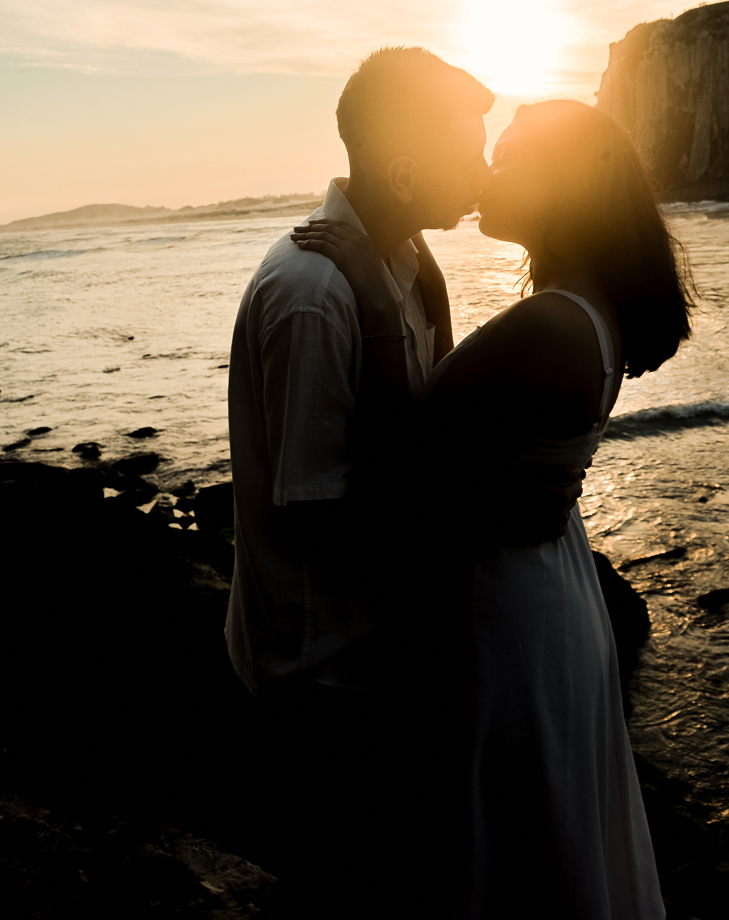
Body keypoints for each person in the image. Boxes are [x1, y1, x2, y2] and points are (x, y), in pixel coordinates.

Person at [291, 97, 695, 919]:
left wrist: (375, 297)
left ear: (562, 188)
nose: (485, 174)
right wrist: (419, 271)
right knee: (543, 831)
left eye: (508, 159)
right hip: (542, 584)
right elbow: (468, 413)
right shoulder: (579, 308)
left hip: (507, 609)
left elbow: (397, 457)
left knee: (505, 843)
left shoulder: (548, 324)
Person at [225, 48, 586, 917]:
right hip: (325, 674)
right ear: (402, 168)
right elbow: (317, 516)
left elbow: (421, 435)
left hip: (381, 659)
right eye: (469, 149)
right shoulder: (316, 290)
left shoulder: (401, 266)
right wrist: (479, 519)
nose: (484, 166)